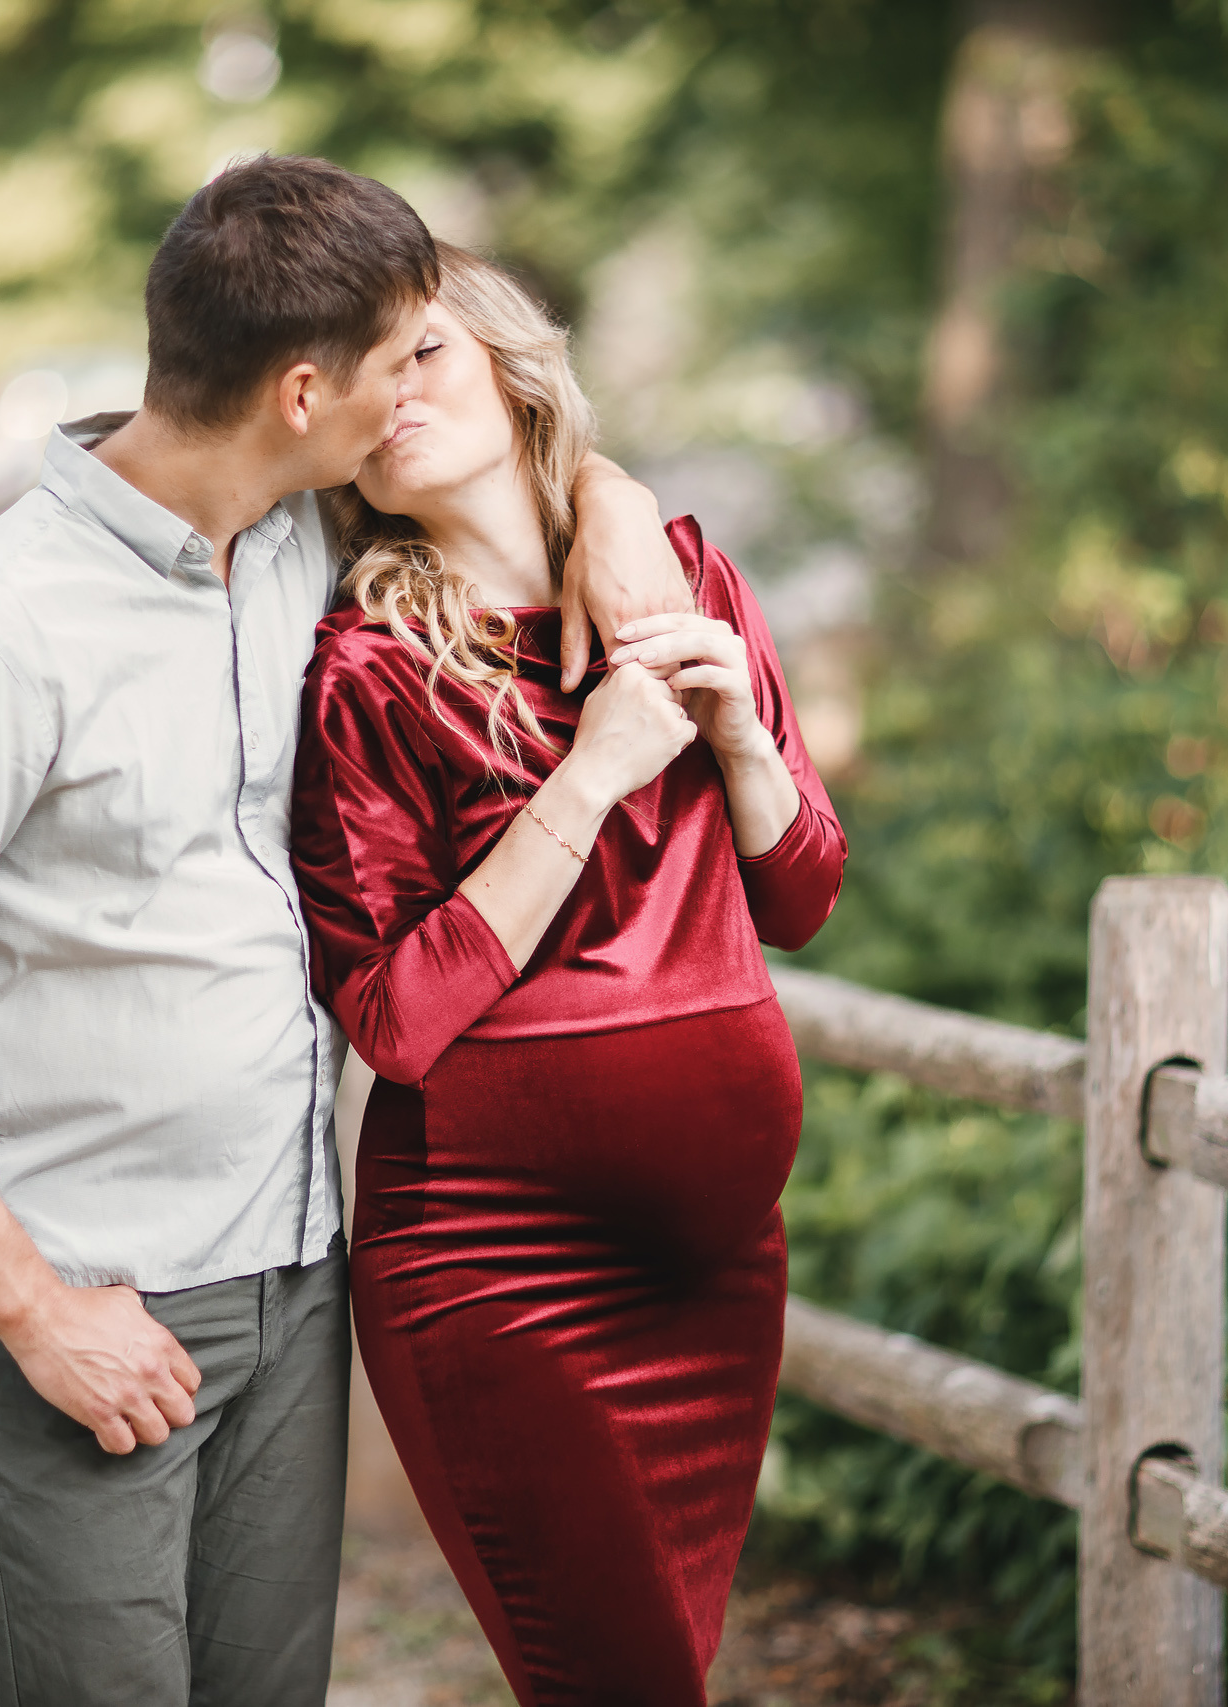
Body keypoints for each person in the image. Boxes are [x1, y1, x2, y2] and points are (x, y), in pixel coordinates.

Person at [0, 158, 687, 1707]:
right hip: (90, 1307)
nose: (422, 387)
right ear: (301, 389)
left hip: (295, 1275)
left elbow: (516, 465)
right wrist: (34, 1313)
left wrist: (614, 502)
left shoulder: (292, 538)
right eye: (403, 357)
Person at [291, 243, 848, 1706]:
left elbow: (802, 898)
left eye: (422, 350)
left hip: (718, 1272)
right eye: (362, 372)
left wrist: (736, 737)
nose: (397, 392)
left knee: (659, 1673)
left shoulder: (686, 573)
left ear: (505, 359)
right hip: (495, 1268)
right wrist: (593, 775)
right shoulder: (366, 667)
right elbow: (398, 1019)